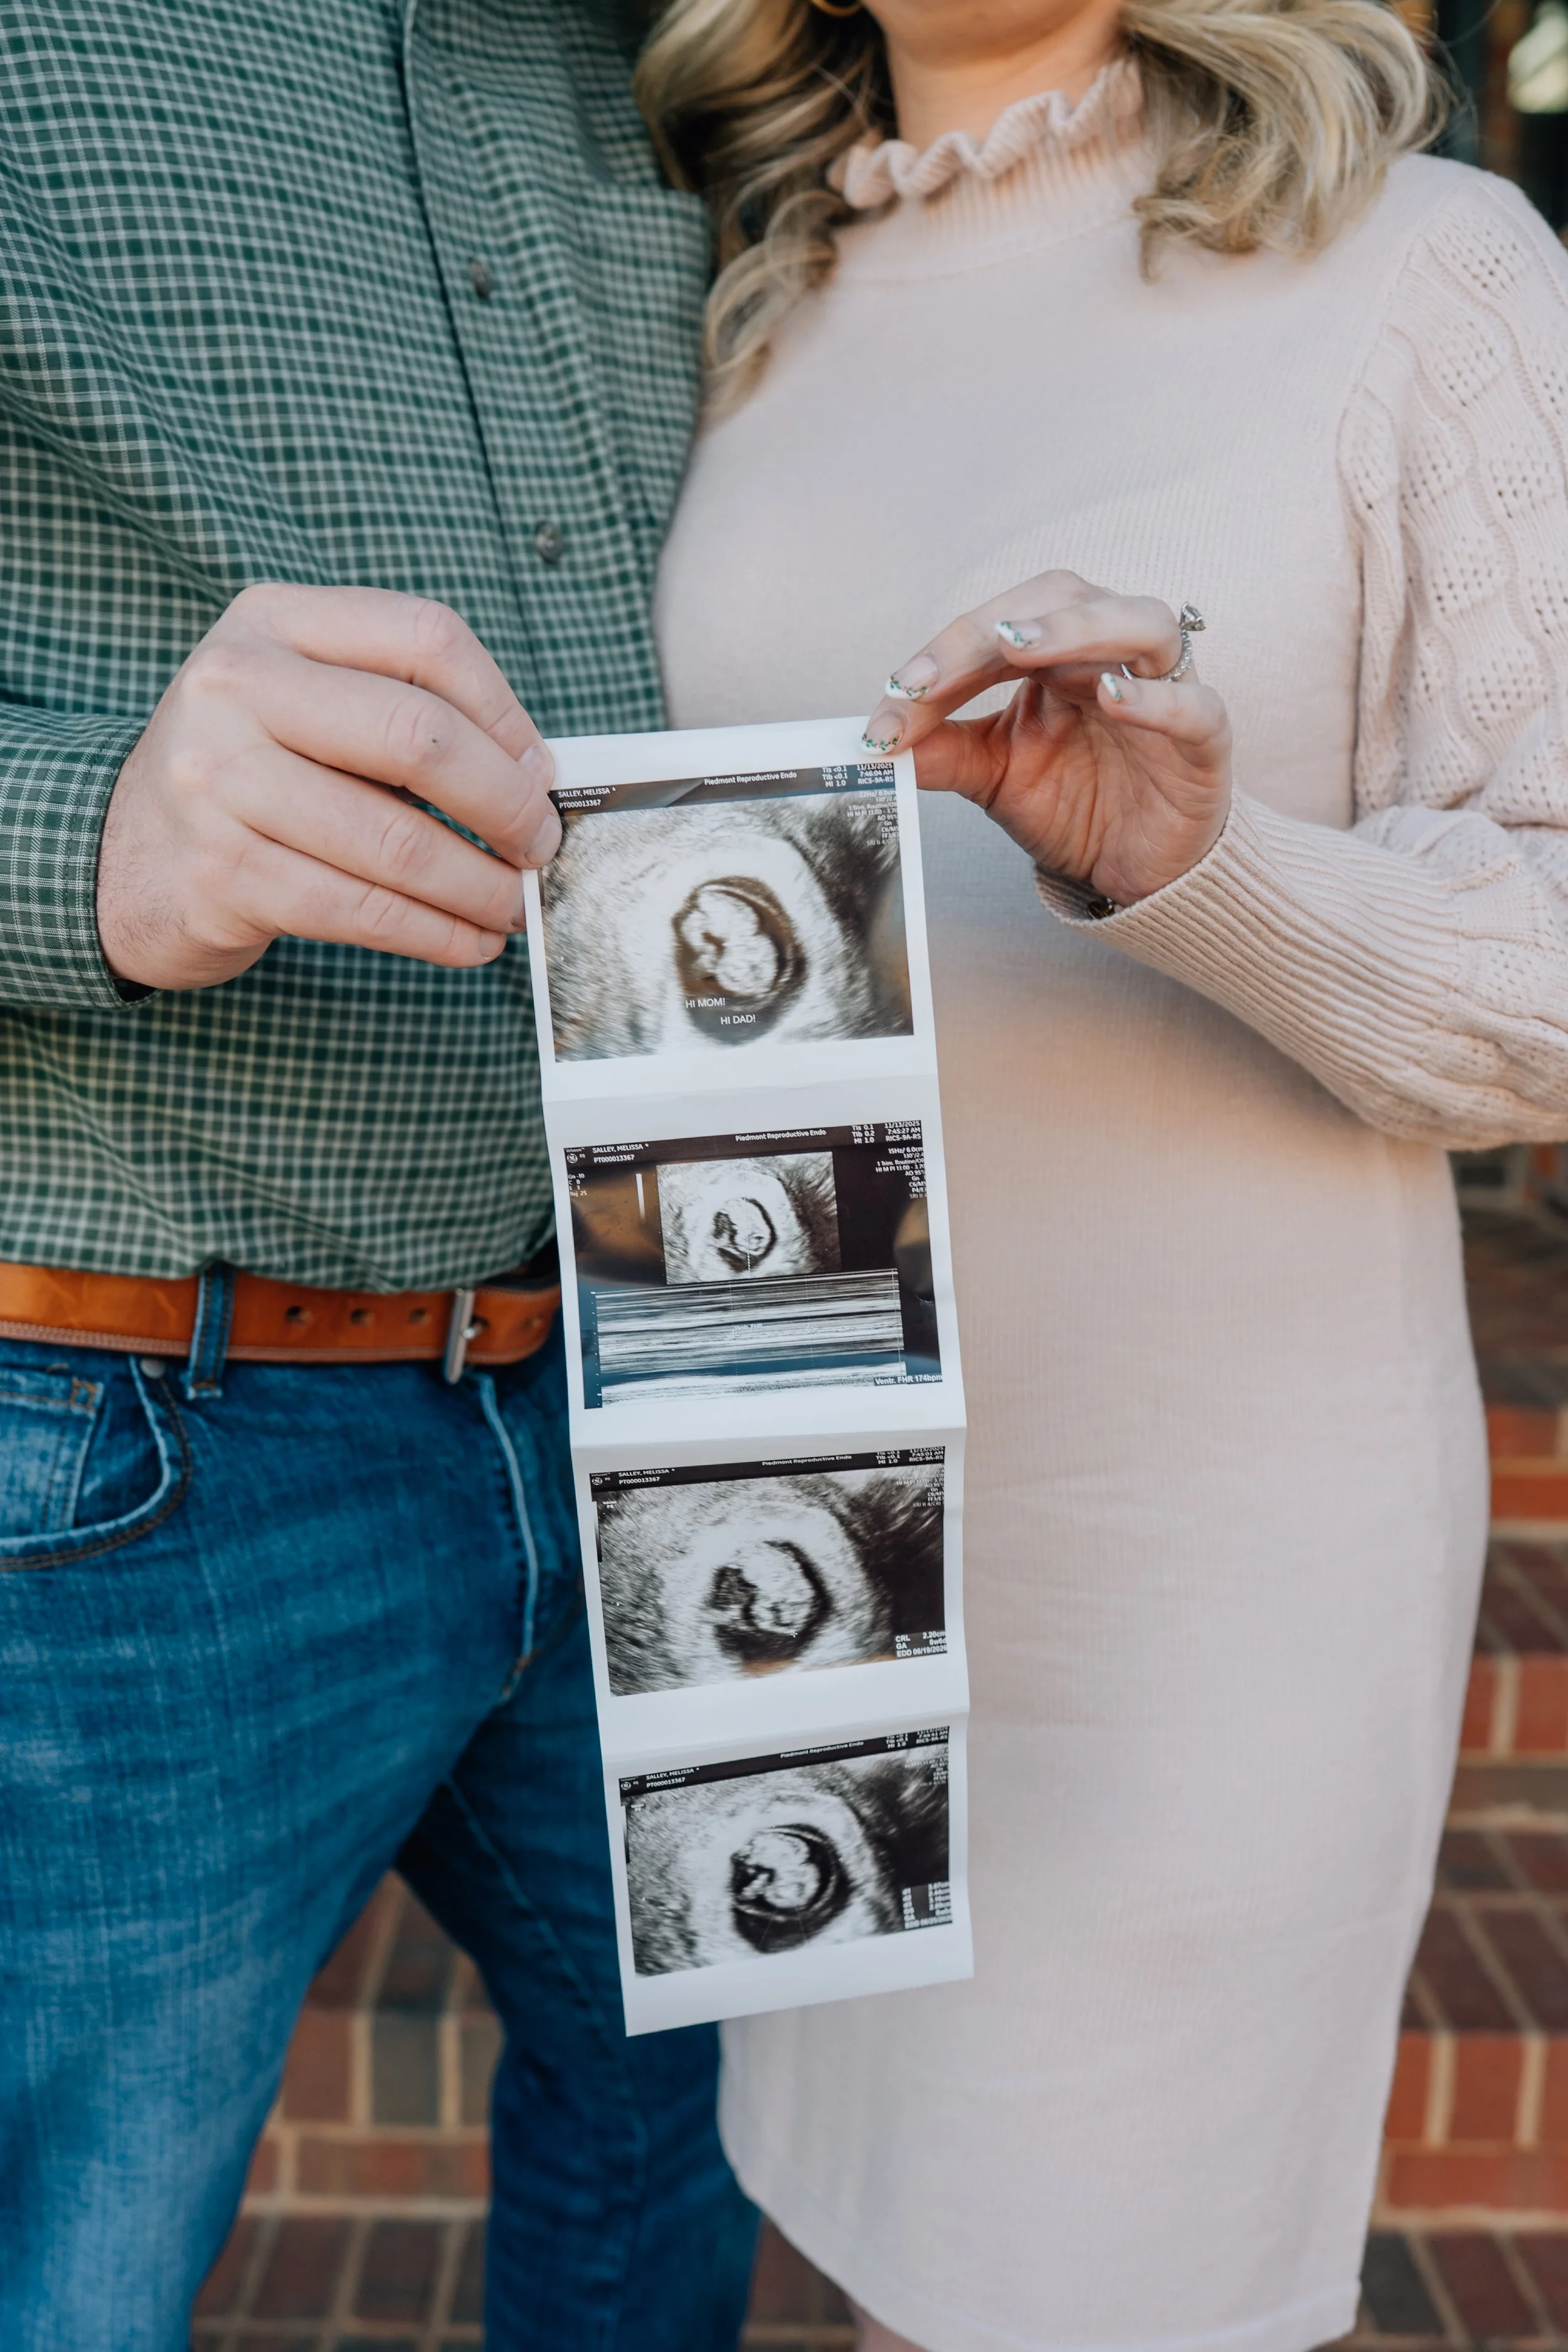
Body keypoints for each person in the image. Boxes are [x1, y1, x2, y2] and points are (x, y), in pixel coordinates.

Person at [645, 0, 1568, 2344]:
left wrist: (1195, 862)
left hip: (1198, 1572)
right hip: (785, 1502)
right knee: (859, 2243)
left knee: (1105, 2285)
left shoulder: (1428, 265)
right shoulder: (741, 294)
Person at [0, 4, 757, 2348]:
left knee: (696, 2121)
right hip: (121, 1442)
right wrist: (82, 838)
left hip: (673, 1353)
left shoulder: (681, 59)